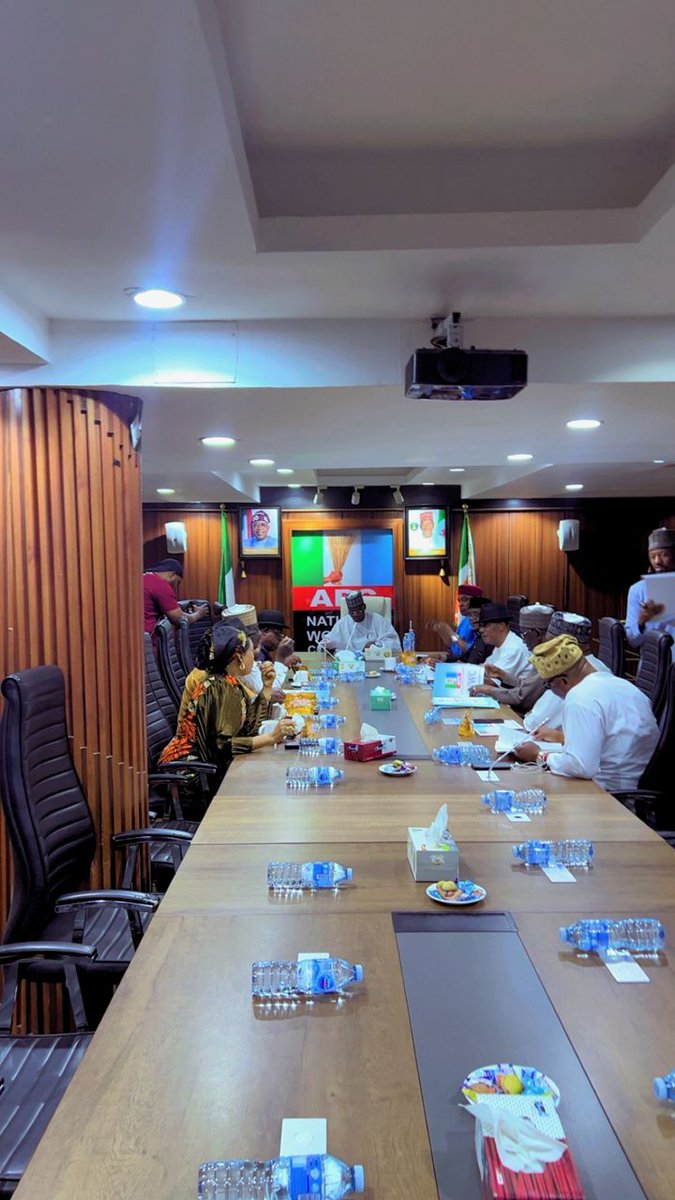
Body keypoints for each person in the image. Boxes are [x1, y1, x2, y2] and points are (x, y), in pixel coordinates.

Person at [514, 634, 659, 793]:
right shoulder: (625, 687)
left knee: (525, 790)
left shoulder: (580, 697)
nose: (551, 690)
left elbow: (580, 766)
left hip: (609, 794)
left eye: (548, 685)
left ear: (563, 681)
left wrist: (539, 755)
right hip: (633, 787)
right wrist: (561, 738)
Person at [162, 624, 295, 795]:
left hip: (204, 767)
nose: (254, 659)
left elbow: (248, 728)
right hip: (190, 774)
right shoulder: (219, 689)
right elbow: (223, 746)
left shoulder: (229, 682)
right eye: (250, 652)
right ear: (239, 657)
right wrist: (270, 737)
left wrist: (267, 689)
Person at [523, 612, 612, 736]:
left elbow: (535, 724)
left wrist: (529, 715)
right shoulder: (603, 668)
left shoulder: (568, 672)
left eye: (550, 643)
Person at [468, 603, 553, 711]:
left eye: (524, 634)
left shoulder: (550, 658)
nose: (523, 640)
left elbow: (522, 696)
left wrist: (490, 690)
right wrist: (502, 675)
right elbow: (525, 685)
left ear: (538, 634)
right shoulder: (540, 654)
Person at [625, 527, 675, 648]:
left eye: (664, 555)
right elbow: (633, 640)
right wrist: (642, 621)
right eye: (653, 556)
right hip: (653, 663)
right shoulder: (637, 590)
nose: (657, 561)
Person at [320, 590, 401, 653]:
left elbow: (394, 644)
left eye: (358, 611)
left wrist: (375, 646)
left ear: (364, 607)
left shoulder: (377, 620)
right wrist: (325, 647)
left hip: (374, 662)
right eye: (352, 612)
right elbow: (324, 644)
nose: (355, 615)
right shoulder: (343, 623)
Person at [142, 558, 208, 635]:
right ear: (172, 574)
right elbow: (178, 618)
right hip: (146, 641)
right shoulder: (160, 584)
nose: (174, 588)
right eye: (177, 582)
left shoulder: (143, 577)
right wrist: (198, 614)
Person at [427, 584, 484, 659]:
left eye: (465, 599)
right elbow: (454, 645)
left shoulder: (479, 622)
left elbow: (470, 651)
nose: (460, 604)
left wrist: (450, 632)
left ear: (476, 600)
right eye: (459, 600)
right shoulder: (464, 620)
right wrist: (442, 630)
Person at [478, 602, 530, 677]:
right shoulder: (501, 643)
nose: (481, 630)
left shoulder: (513, 648)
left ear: (501, 626)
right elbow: (484, 668)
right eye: (481, 626)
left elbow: (494, 681)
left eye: (486, 625)